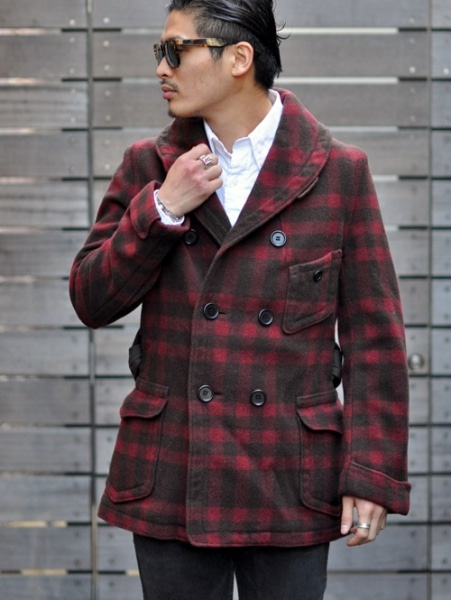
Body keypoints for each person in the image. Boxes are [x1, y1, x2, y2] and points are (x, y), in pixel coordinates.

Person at [69, 1, 411, 598]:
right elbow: (90, 299)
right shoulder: (150, 166)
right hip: (175, 470)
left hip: (288, 477)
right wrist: (162, 208)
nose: (161, 67)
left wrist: (372, 472)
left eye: (176, 50)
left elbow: (375, 338)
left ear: (239, 58)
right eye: (159, 52)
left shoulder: (338, 172)